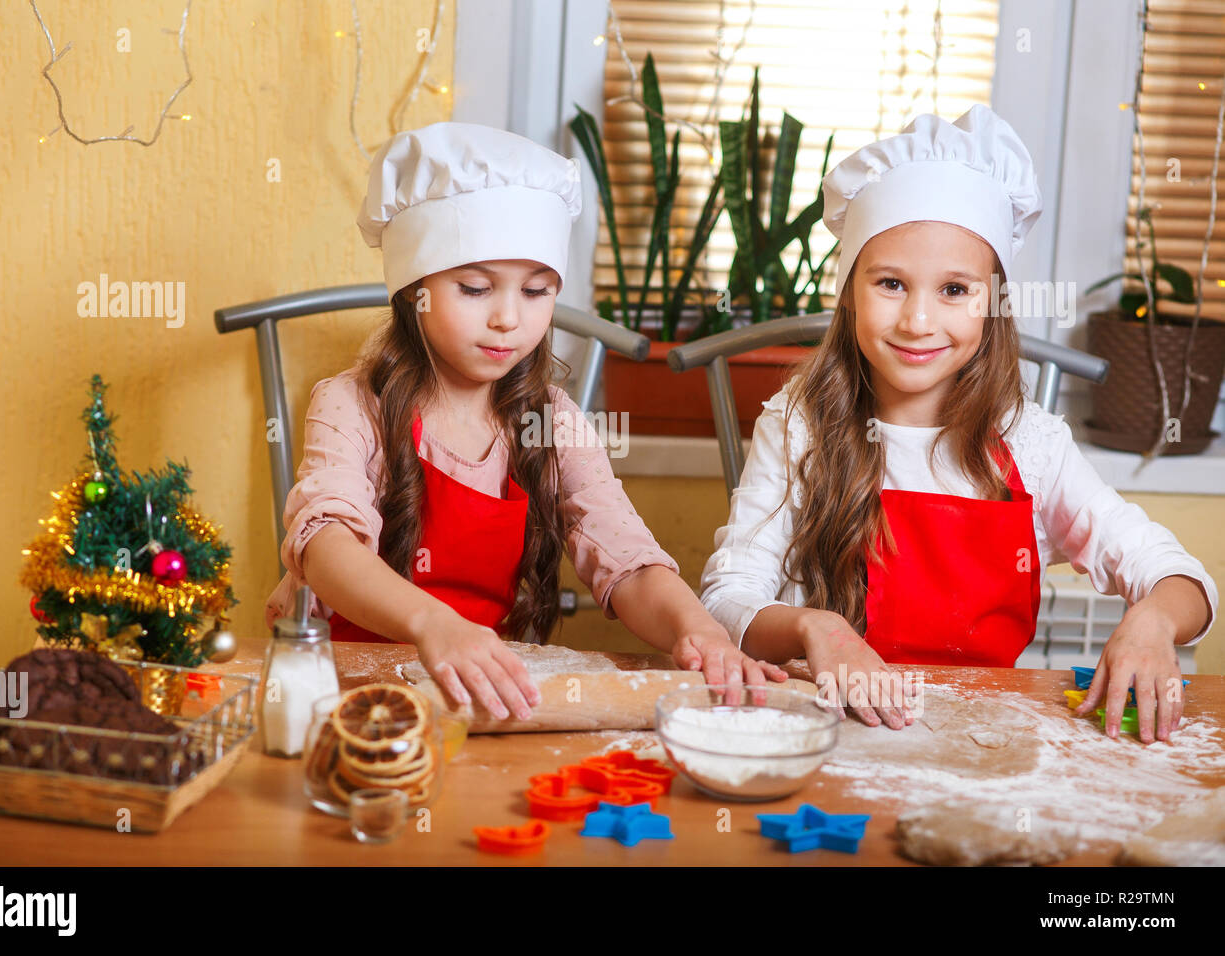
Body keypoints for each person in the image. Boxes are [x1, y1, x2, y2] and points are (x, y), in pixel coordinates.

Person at [699, 105, 1216, 743]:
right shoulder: (797, 426)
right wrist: (816, 628)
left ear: (992, 303)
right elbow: (727, 598)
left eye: (954, 290)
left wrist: (1154, 621)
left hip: (982, 737)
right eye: (890, 283)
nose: (918, 321)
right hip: (827, 730)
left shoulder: (1033, 445)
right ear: (849, 291)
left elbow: (1177, 574)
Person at [266, 122, 787, 721]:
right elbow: (328, 546)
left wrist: (696, 630)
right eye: (474, 288)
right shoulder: (351, 404)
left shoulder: (551, 422)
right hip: (354, 701)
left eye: (537, 291)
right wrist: (435, 625)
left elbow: (628, 560)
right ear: (414, 290)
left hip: (488, 699)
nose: (508, 318)